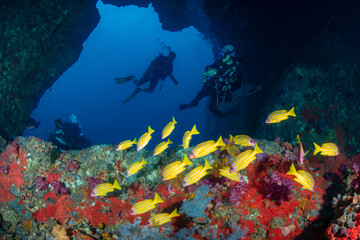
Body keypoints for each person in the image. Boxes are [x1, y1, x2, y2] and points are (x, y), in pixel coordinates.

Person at [178, 45, 242, 118]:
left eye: (222, 54)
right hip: (210, 85)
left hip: (219, 92)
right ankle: (192, 104)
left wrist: (228, 91)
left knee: (211, 108)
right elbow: (209, 67)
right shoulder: (219, 62)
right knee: (198, 97)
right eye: (220, 54)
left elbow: (238, 84)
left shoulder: (235, 70)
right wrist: (210, 69)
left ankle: (225, 115)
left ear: (230, 55)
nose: (220, 56)